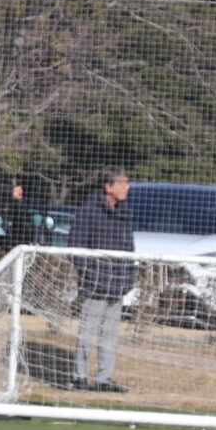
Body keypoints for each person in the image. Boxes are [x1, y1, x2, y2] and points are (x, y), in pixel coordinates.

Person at [70, 167, 133, 392]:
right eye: (122, 183)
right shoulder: (88, 211)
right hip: (95, 286)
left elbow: (130, 250)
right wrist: (92, 274)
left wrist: (129, 277)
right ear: (108, 186)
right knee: (87, 333)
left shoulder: (125, 213)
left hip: (117, 286)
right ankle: (79, 377)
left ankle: (104, 379)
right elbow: (75, 248)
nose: (127, 187)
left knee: (110, 335)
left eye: (127, 182)